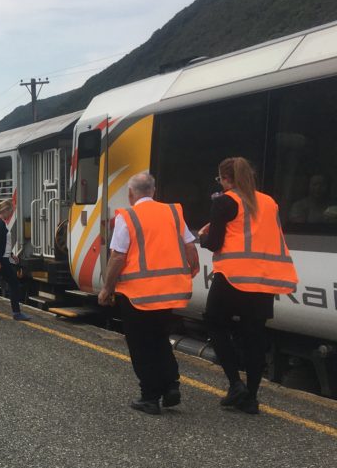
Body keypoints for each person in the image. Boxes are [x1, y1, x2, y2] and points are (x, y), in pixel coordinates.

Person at [198, 157, 298, 414]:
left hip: (233, 278)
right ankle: (251, 398)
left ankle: (235, 384)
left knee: (214, 323)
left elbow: (215, 243)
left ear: (225, 179)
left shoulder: (224, 201)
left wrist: (203, 236)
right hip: (264, 280)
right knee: (254, 337)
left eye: (220, 179)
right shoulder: (269, 202)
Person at [98, 173, 200, 415]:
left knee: (141, 345)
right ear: (153, 191)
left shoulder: (128, 216)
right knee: (160, 338)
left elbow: (118, 256)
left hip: (138, 296)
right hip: (168, 293)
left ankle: (150, 397)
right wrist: (192, 269)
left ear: (131, 194)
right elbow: (189, 246)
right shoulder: (173, 213)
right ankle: (171, 385)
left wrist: (107, 288)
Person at [0, 199, 30, 322]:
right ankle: (16, 313)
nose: (11, 214)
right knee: (14, 284)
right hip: (0, 260)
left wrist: (11, 254)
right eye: (11, 211)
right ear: (5, 210)